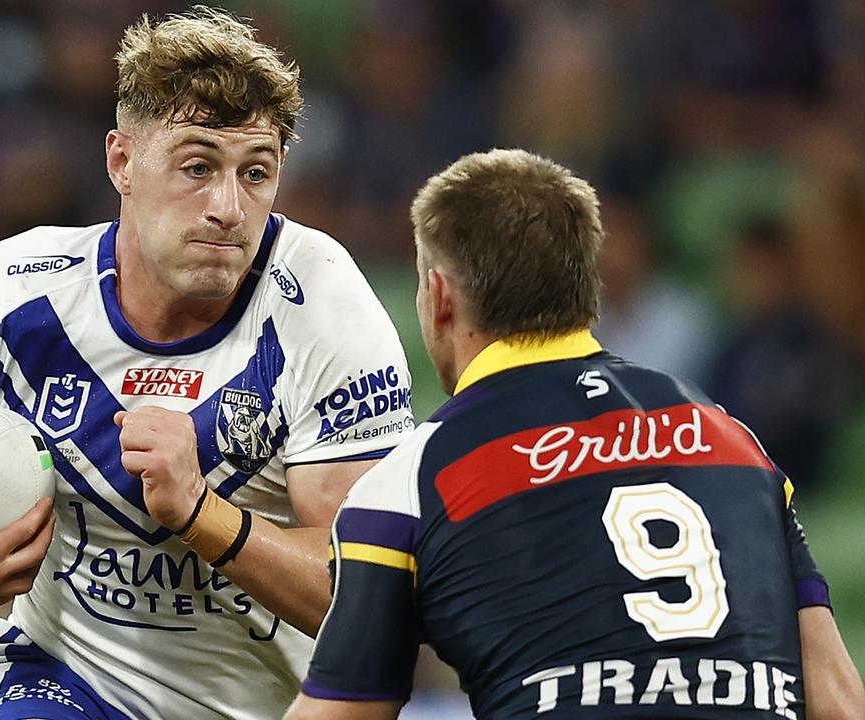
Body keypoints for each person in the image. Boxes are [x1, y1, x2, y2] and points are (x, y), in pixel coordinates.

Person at [0, 8, 414, 720]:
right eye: (196, 166)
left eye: (256, 173)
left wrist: (199, 514)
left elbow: (369, 608)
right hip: (63, 681)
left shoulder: (321, 310)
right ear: (121, 161)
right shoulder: (4, 299)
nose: (228, 207)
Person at [285, 149, 865, 719]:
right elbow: (839, 702)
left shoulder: (407, 482)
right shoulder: (736, 443)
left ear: (439, 298)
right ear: (587, 287)